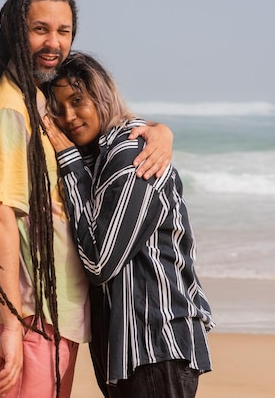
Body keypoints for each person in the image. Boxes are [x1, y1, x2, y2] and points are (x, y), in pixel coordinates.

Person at [0, 0, 174, 397]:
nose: (53, 43)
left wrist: (159, 131)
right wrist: (10, 324)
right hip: (29, 313)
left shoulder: (40, 102)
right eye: (40, 29)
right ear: (14, 30)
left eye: (64, 31)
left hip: (52, 312)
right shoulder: (9, 108)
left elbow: (101, 127)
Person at [41, 52, 214, 398]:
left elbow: (99, 262)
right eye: (59, 109)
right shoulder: (103, 158)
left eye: (78, 101)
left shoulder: (130, 154)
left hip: (154, 344)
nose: (69, 117)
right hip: (131, 348)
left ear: (102, 96)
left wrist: (68, 161)